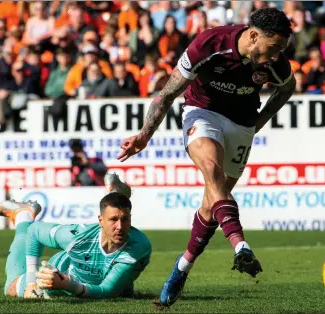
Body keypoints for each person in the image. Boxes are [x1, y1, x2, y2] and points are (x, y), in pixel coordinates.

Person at [117, 8, 295, 306]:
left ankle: (182, 266)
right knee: (213, 175)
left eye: (280, 50)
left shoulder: (274, 63)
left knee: (213, 204)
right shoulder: (209, 45)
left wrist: (258, 123)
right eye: (273, 47)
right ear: (253, 36)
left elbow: (287, 88)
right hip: (203, 112)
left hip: (241, 124)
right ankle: (240, 246)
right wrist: (145, 134)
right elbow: (167, 94)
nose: (275, 56)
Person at [0, 174, 150, 299]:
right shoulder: (77, 237)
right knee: (11, 288)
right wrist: (31, 284)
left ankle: (115, 193)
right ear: (100, 221)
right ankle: (24, 215)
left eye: (125, 219)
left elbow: (107, 290)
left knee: (122, 289)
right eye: (113, 220)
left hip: (74, 281)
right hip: (59, 271)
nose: (120, 227)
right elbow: (34, 231)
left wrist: (68, 285)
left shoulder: (138, 246)